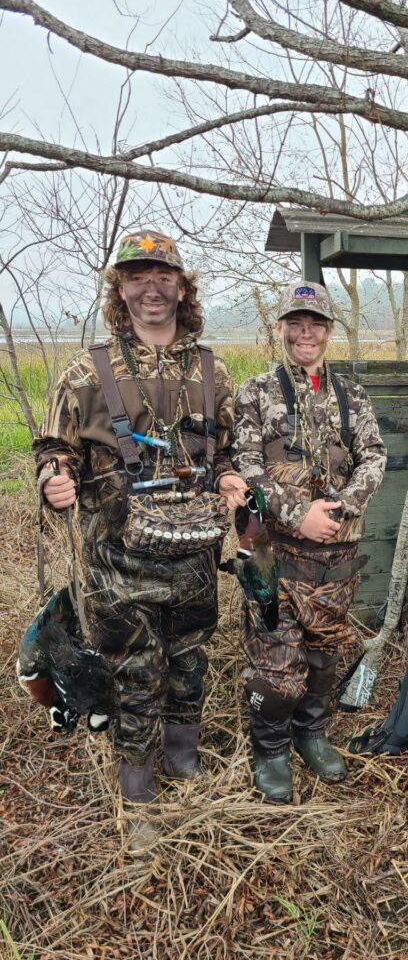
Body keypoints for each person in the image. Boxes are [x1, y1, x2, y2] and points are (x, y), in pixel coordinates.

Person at [33, 229, 248, 854]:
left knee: (188, 659)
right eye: (137, 276)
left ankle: (185, 764)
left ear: (183, 288)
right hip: (116, 557)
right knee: (133, 669)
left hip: (195, 553)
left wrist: (232, 476)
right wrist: (54, 478)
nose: (151, 288)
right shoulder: (86, 369)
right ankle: (138, 792)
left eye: (163, 276)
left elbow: (230, 450)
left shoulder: (214, 369)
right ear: (119, 290)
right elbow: (53, 447)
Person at [231, 280, 386, 803]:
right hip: (274, 563)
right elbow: (246, 467)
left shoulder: (352, 395)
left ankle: (311, 734)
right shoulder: (255, 392)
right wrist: (298, 515)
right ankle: (270, 747)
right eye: (295, 323)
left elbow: (375, 458)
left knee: (323, 659)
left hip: (335, 564)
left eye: (315, 324)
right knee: (277, 670)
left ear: (327, 331)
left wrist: (339, 508)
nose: (305, 333)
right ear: (281, 329)